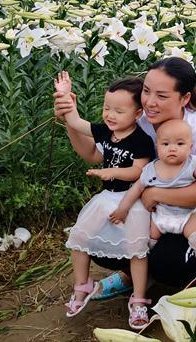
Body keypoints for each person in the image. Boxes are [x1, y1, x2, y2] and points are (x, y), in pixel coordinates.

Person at [54, 57, 196, 312]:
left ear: (184, 98)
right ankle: (134, 277)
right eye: (146, 91)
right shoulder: (139, 119)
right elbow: (94, 154)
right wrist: (69, 122)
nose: (149, 102)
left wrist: (155, 194)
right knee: (98, 236)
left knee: (169, 263)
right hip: (153, 216)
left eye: (161, 96)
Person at [59, 75, 154, 327]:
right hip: (106, 199)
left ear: (138, 114)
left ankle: (139, 300)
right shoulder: (104, 131)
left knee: (137, 251)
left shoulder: (142, 140)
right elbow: (75, 122)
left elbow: (138, 171)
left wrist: (110, 172)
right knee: (79, 237)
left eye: (119, 111)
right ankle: (82, 286)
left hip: (131, 201)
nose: (110, 115)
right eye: (106, 108)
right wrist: (66, 97)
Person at [111, 118, 196, 290]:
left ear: (190, 147)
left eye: (180, 144)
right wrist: (122, 210)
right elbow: (136, 190)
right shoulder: (150, 169)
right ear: (157, 147)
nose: (172, 148)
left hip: (187, 214)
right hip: (160, 216)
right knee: (145, 242)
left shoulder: (191, 164)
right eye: (166, 144)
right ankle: (145, 276)